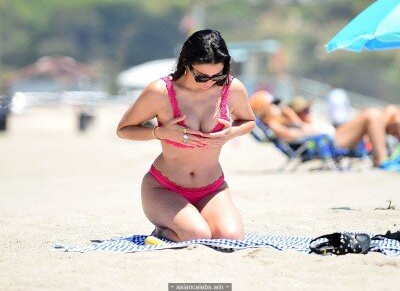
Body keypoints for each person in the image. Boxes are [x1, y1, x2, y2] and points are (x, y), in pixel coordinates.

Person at [117, 29, 256, 242]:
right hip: (164, 188)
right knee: (197, 235)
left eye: (217, 75)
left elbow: (249, 121)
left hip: (212, 188)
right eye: (201, 76)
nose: (210, 82)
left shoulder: (232, 88)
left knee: (230, 238)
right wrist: (159, 132)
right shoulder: (160, 91)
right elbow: (124, 130)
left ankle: (191, 221)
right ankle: (163, 230)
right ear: (186, 63)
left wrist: (230, 134)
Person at [250, 91, 400, 170]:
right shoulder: (274, 124)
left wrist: (292, 117)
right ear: (263, 109)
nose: (277, 107)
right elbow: (290, 135)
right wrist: (304, 127)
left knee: (392, 111)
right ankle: (381, 161)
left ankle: (392, 155)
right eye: (273, 104)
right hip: (331, 141)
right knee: (371, 114)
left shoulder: (283, 119)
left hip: (333, 136)